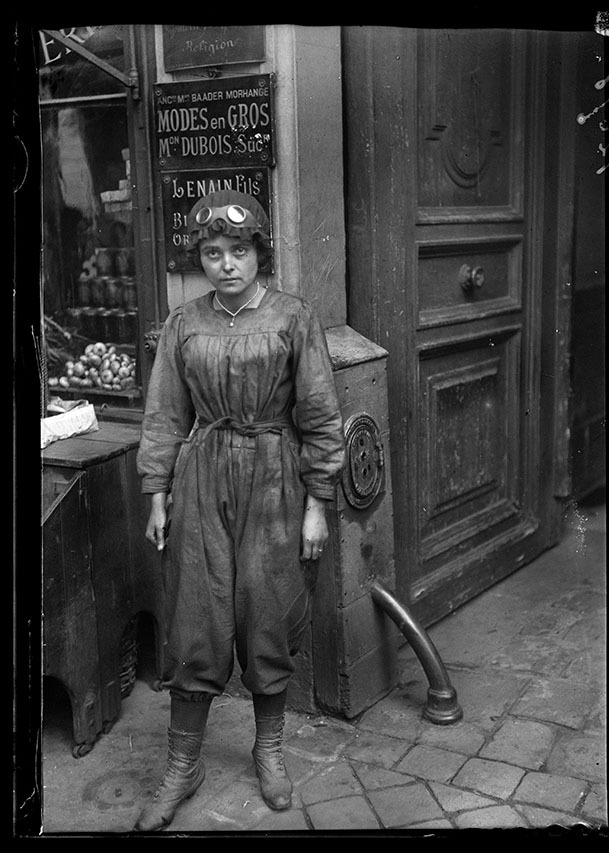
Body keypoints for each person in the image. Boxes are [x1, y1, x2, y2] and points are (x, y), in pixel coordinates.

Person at [134, 190, 345, 832]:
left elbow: (319, 416)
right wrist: (157, 495)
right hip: (200, 481)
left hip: (275, 481)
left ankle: (270, 749)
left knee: (267, 608)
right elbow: (165, 413)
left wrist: (318, 504)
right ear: (199, 259)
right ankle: (183, 765)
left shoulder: (292, 317)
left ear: (259, 254)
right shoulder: (184, 323)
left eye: (239, 250)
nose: (225, 264)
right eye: (211, 253)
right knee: (196, 614)